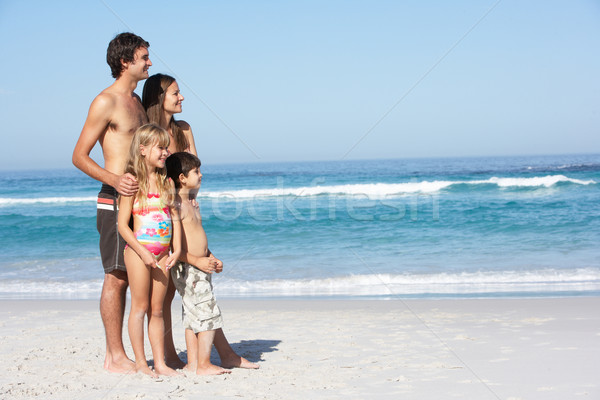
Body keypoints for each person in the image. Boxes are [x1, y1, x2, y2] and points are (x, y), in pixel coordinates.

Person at [143, 74, 259, 370]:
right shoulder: (149, 131)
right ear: (159, 98)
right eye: (175, 93)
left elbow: (193, 167)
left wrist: (190, 195)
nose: (181, 98)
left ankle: (204, 357)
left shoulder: (184, 128)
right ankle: (171, 357)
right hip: (161, 212)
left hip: (182, 206)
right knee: (172, 295)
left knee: (192, 295)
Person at [72, 32, 151, 374]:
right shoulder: (106, 101)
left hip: (142, 199)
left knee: (139, 274)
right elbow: (79, 156)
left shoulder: (137, 101)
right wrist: (115, 179)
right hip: (116, 197)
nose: (149, 62)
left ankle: (136, 351)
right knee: (116, 276)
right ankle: (114, 356)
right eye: (144, 56)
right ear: (125, 61)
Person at [166, 152, 256, 375]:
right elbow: (173, 246)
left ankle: (195, 363)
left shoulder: (193, 204)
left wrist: (211, 257)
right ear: (182, 178)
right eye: (196, 171)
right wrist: (196, 260)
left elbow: (198, 237)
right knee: (207, 312)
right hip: (189, 267)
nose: (201, 174)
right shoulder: (176, 205)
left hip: (201, 265)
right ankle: (204, 364)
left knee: (192, 316)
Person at [118, 124, 182, 377]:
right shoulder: (133, 182)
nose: (165, 151)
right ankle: (142, 364)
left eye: (167, 147)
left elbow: (174, 216)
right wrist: (142, 253)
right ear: (143, 150)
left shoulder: (166, 182)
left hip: (164, 254)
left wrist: (176, 249)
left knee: (157, 309)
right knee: (140, 307)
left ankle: (161, 363)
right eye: (160, 147)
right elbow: (123, 225)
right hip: (138, 252)